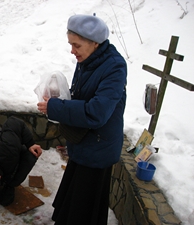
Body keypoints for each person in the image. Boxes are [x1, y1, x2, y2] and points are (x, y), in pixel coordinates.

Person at [37, 14, 127, 225]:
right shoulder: (88, 59)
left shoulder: (115, 67)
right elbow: (84, 96)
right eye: (70, 44)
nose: (72, 50)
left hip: (98, 148)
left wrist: (56, 107)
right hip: (84, 143)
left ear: (95, 43)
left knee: (83, 210)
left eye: (76, 45)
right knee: (73, 203)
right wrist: (59, 95)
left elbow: (97, 112)